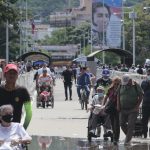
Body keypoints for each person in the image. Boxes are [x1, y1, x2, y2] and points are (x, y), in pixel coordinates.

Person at [0, 63, 32, 129]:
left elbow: (29, 112)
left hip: (15, 130)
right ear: (5, 75)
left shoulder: (23, 91)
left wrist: (23, 128)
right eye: (10, 73)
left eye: (14, 73)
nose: (12, 75)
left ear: (17, 75)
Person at [117, 74, 143, 145]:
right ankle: (130, 135)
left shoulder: (136, 85)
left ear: (130, 80)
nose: (125, 84)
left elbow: (141, 96)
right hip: (123, 109)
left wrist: (137, 106)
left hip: (133, 109)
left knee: (130, 125)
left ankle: (127, 141)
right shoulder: (121, 85)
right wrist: (118, 105)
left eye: (127, 82)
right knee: (122, 124)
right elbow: (118, 94)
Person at [102, 76, 121, 145]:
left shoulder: (121, 89)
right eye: (115, 83)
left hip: (118, 108)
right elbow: (106, 97)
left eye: (118, 83)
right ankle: (114, 136)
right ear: (113, 82)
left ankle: (116, 138)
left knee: (117, 124)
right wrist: (103, 105)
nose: (116, 85)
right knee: (112, 123)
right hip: (111, 107)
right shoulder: (110, 89)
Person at [141, 68, 150, 138]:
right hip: (146, 103)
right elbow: (143, 87)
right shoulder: (144, 81)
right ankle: (145, 133)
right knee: (144, 119)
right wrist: (148, 81)